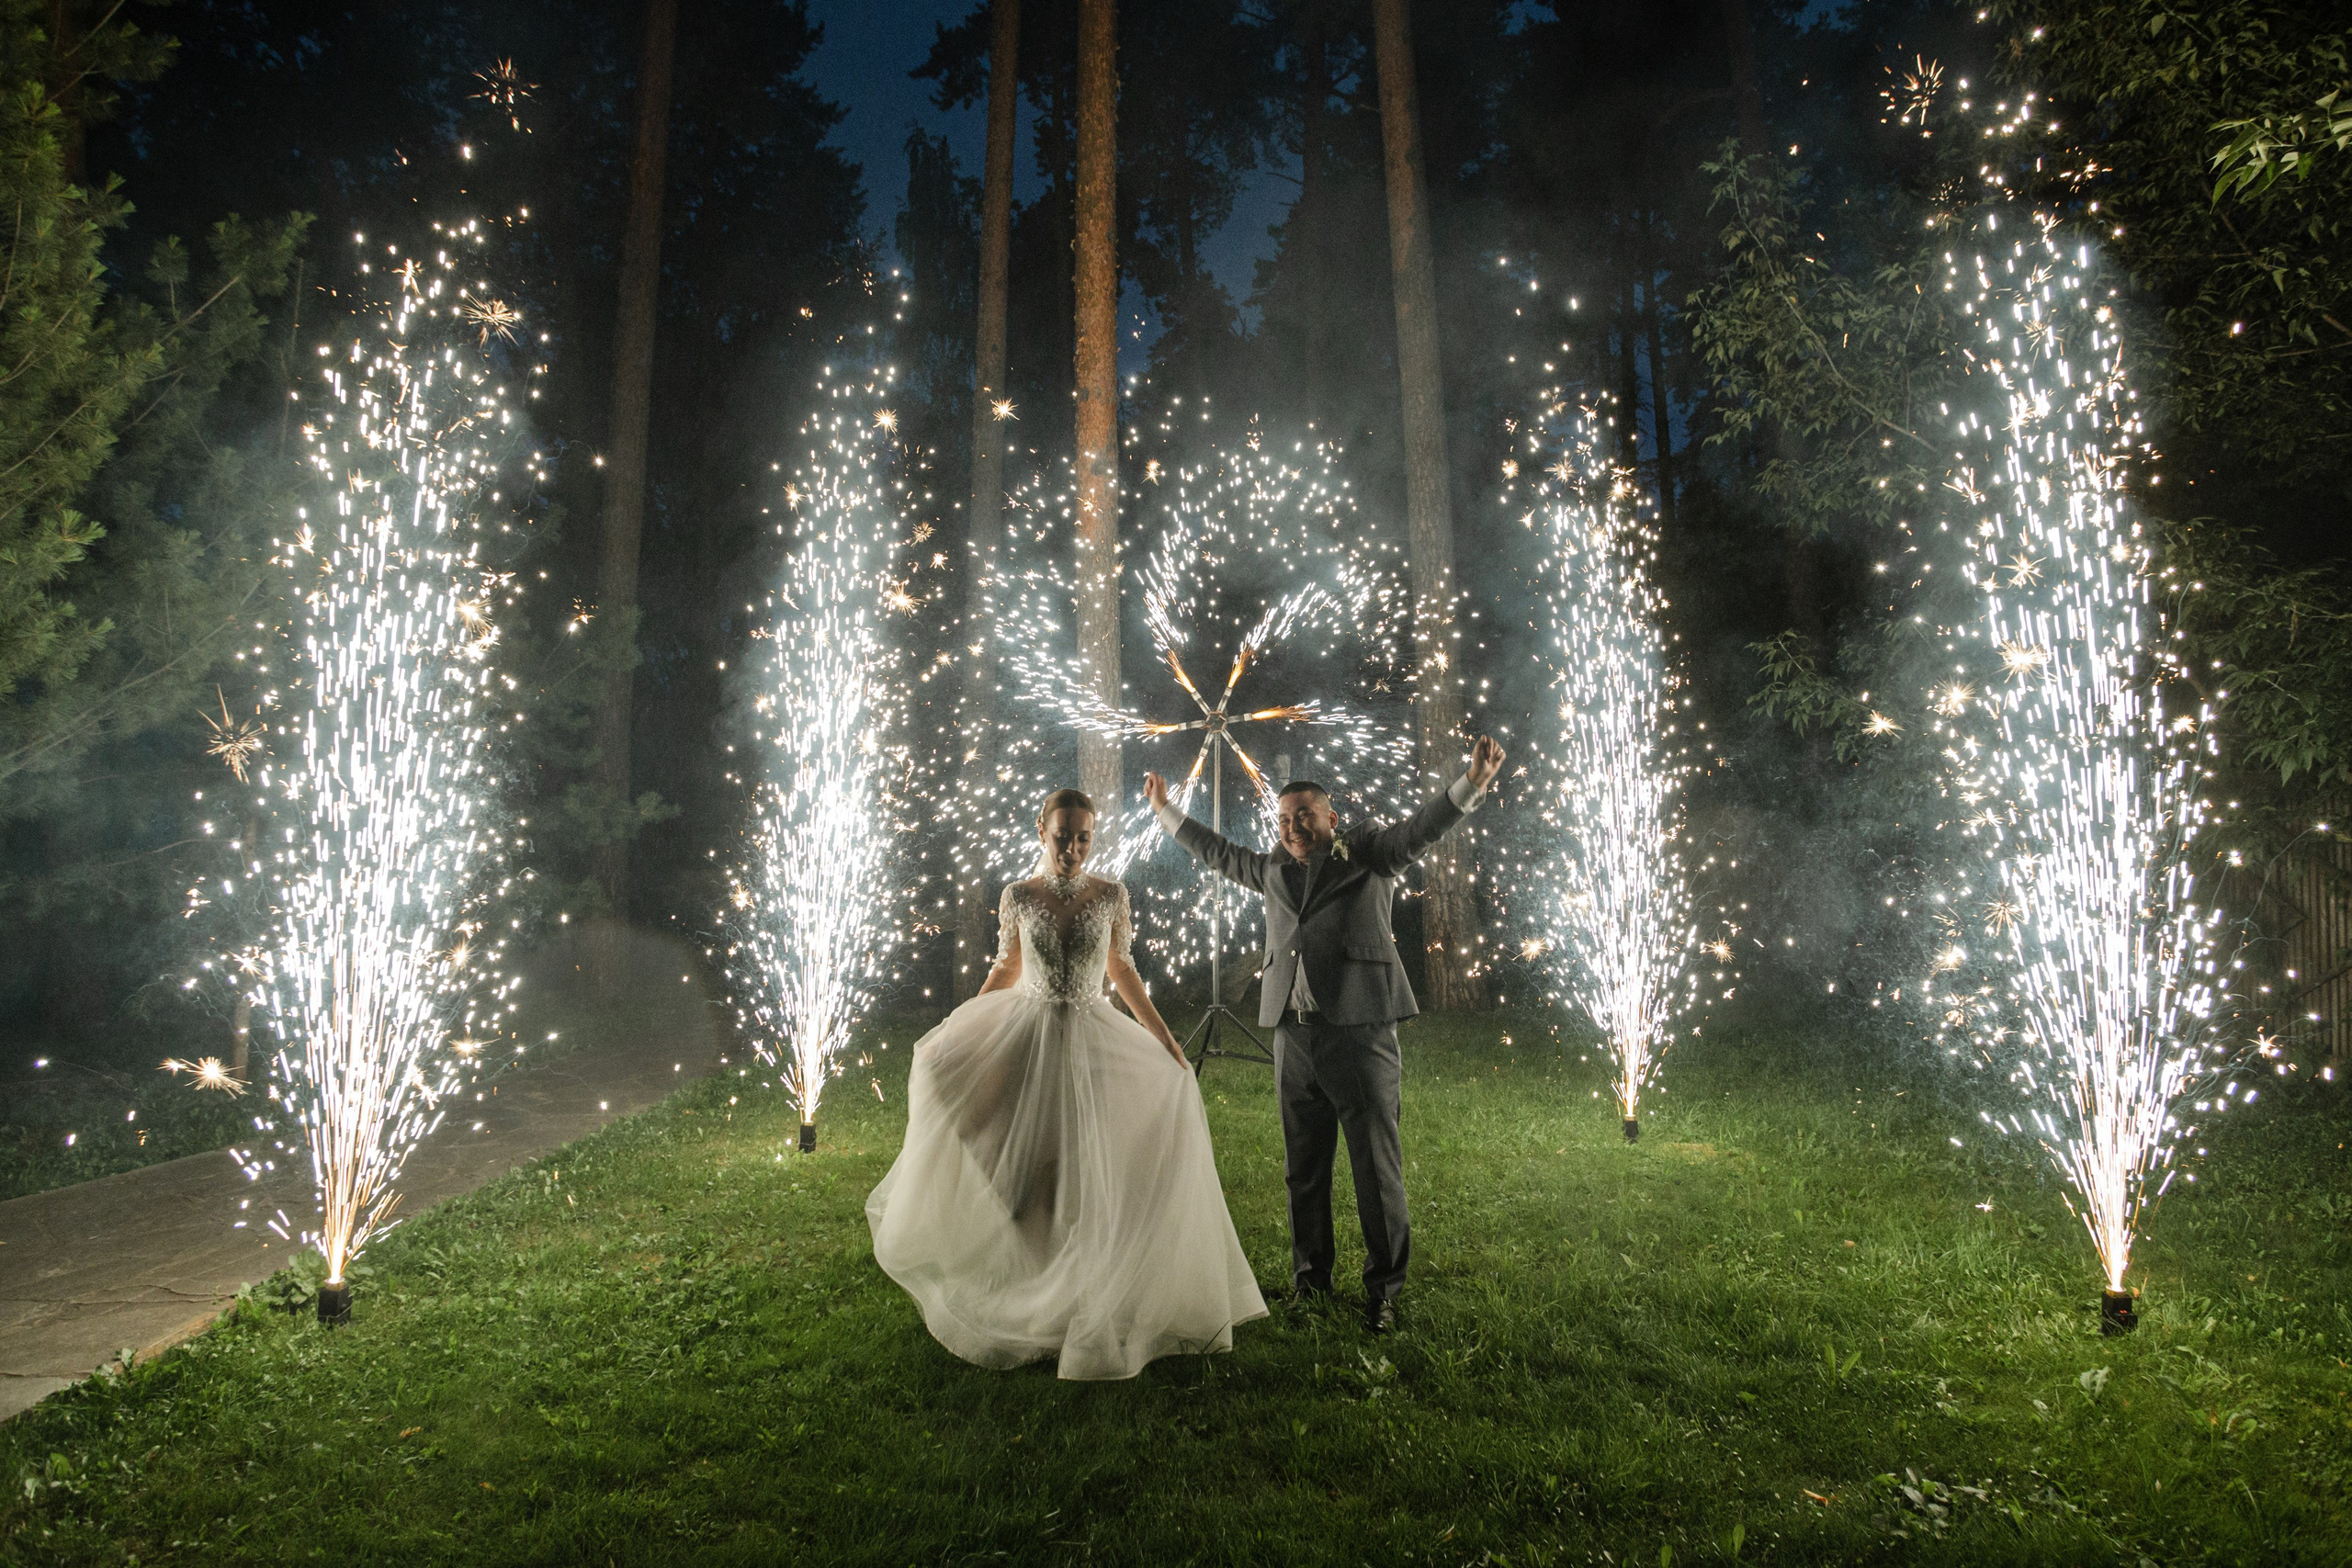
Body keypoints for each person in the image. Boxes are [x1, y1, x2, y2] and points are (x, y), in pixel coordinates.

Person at [865, 788, 1267, 1380]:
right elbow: (1007, 966)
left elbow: (1120, 969)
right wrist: (962, 1027)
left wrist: (1164, 1038)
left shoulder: (1111, 895)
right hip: (1027, 1039)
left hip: (1090, 1039)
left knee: (1088, 1168)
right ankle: (1036, 1283)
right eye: (1063, 837)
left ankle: (1087, 1288)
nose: (1073, 849)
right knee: (1029, 1169)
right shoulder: (1018, 896)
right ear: (1042, 831)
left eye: (1083, 838)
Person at [1144, 736, 1505, 1334]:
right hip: (1293, 1036)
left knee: (1375, 1168)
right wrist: (1165, 811)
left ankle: (1383, 1292)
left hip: (1359, 1031)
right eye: (1285, 819)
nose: (1293, 828)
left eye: (1304, 815)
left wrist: (1472, 784)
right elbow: (1217, 851)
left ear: (1330, 819)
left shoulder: (1367, 853)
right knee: (1303, 1169)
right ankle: (1310, 1284)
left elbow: (1419, 830)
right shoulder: (1273, 869)